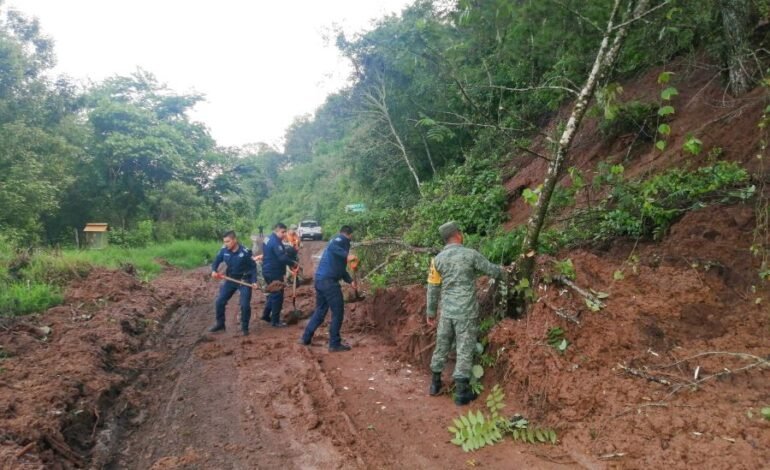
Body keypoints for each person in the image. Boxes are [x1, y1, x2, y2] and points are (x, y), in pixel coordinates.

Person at [425, 221, 507, 405]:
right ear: (458, 235)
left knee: (442, 345)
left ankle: (435, 384)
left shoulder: (437, 260)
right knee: (464, 348)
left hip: (446, 312)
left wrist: (431, 312)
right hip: (466, 312)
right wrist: (506, 272)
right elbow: (491, 270)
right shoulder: (470, 254)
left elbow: (432, 288)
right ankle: (462, 393)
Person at [299, 225, 357, 352]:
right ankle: (334, 344)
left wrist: (350, 281)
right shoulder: (339, 240)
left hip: (320, 280)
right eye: (351, 237)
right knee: (338, 311)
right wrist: (347, 256)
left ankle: (305, 338)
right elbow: (332, 246)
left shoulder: (340, 245)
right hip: (328, 282)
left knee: (320, 311)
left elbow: (341, 270)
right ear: (349, 234)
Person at [209, 231, 258, 335]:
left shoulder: (245, 252)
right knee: (219, 301)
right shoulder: (224, 250)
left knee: (244, 305)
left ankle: (245, 328)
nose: (226, 244)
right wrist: (214, 270)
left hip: (244, 281)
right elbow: (216, 261)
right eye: (224, 242)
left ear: (234, 240)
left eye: (228, 241)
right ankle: (220, 324)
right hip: (230, 279)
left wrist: (254, 281)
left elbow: (253, 267)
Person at [261, 223, 298, 327]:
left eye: (285, 232)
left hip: (267, 270)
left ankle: (266, 315)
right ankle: (275, 321)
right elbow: (282, 258)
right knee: (278, 296)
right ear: (276, 231)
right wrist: (293, 263)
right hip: (274, 272)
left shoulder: (267, 238)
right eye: (283, 232)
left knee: (273, 294)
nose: (285, 234)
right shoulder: (275, 242)